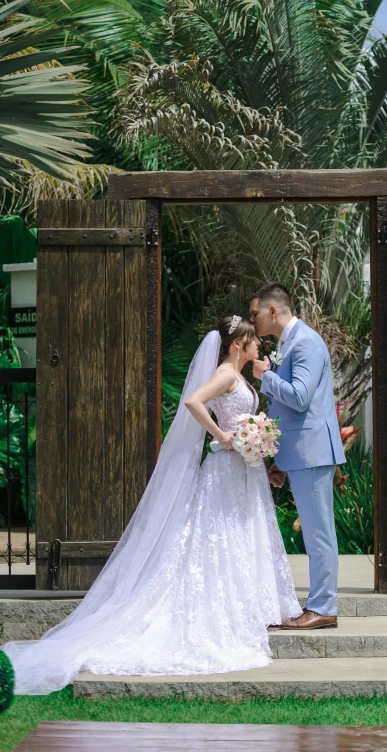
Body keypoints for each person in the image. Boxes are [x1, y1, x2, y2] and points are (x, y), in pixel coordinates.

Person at [1, 317, 301, 695]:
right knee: (219, 536)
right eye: (254, 340)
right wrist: (224, 435)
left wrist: (256, 440)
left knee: (240, 533)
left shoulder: (240, 377)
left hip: (244, 470)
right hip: (226, 469)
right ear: (238, 344)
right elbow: (193, 401)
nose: (259, 344)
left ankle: (252, 604)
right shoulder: (226, 374)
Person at [249, 283, 345, 630]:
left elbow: (300, 398)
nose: (253, 320)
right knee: (314, 533)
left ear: (273, 311)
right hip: (302, 453)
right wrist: (281, 459)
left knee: (319, 533)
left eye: (255, 313)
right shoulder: (286, 343)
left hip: (315, 452)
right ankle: (319, 604)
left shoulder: (304, 342)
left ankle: (323, 607)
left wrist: (265, 376)